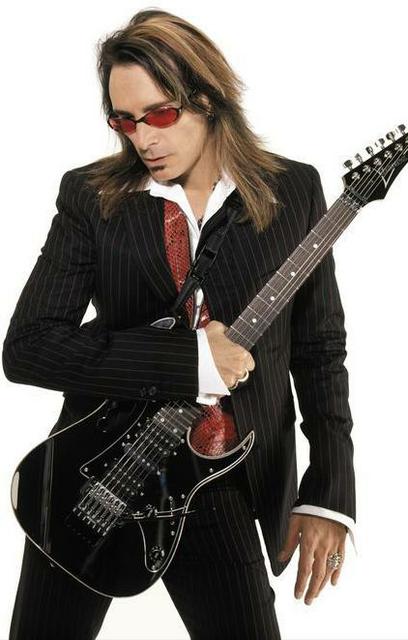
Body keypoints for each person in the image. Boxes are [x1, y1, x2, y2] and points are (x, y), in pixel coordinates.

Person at [2, 9, 357, 640]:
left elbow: (319, 348)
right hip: (94, 475)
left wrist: (328, 489)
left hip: (219, 479)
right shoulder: (92, 196)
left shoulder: (293, 190)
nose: (142, 139)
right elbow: (29, 347)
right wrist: (188, 360)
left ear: (208, 99)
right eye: (124, 120)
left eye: (160, 115)